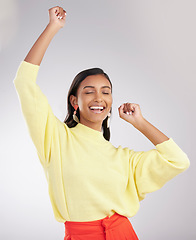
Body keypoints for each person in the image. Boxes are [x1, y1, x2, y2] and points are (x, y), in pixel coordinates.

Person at [13, 6, 190, 240]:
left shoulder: (124, 159)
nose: (98, 98)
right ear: (74, 101)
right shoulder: (55, 139)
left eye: (105, 92)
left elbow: (178, 161)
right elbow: (24, 82)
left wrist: (140, 122)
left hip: (123, 234)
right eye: (89, 92)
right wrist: (53, 27)